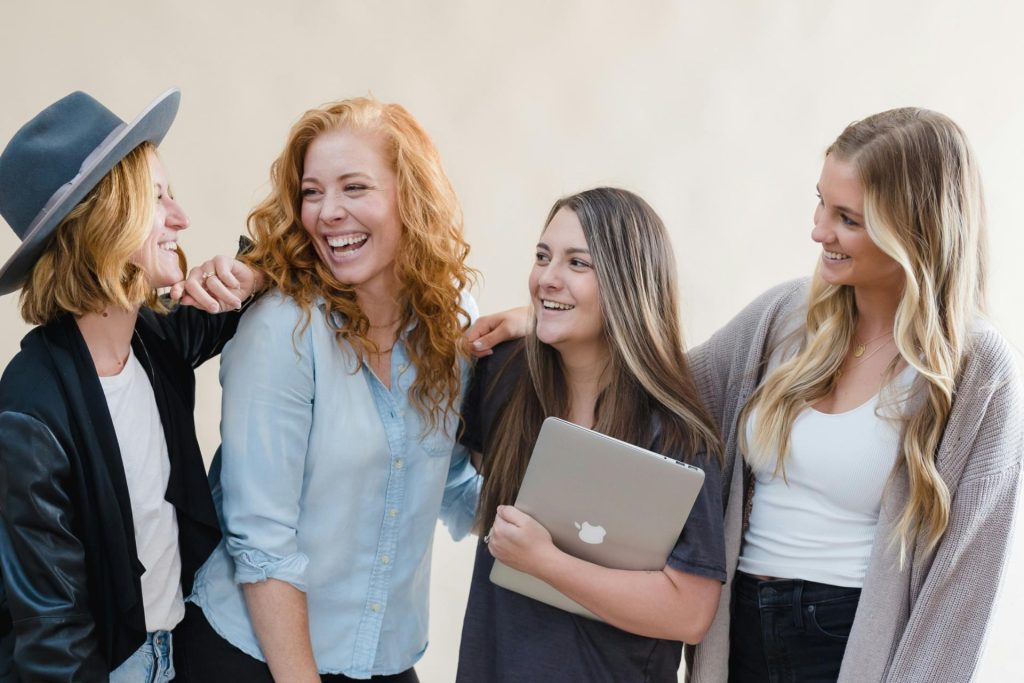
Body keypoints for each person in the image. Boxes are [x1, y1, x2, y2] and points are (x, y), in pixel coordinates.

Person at [467, 109, 1022, 682]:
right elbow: (657, 380)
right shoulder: (783, 320)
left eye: (847, 218)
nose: (818, 230)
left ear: (914, 230)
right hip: (740, 634)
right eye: (820, 203)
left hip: (852, 645)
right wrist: (549, 321)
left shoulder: (977, 371)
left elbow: (964, 586)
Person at [175, 97, 480, 682]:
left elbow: (457, 481)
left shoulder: (451, 323)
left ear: (409, 197)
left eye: (354, 188)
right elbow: (262, 542)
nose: (328, 212)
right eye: (312, 192)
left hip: (383, 659)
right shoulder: (281, 330)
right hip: (257, 658)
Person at [0, 89, 261, 682]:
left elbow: (260, 274)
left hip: (178, 653)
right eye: (157, 198)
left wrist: (249, 272)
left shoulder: (153, 339)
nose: (181, 217)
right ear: (103, 222)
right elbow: (52, 638)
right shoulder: (30, 414)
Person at [456, 187, 726, 683]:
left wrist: (544, 562)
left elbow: (690, 613)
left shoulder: (676, 434)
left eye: (577, 263)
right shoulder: (502, 376)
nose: (546, 279)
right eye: (543, 257)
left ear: (627, 283)